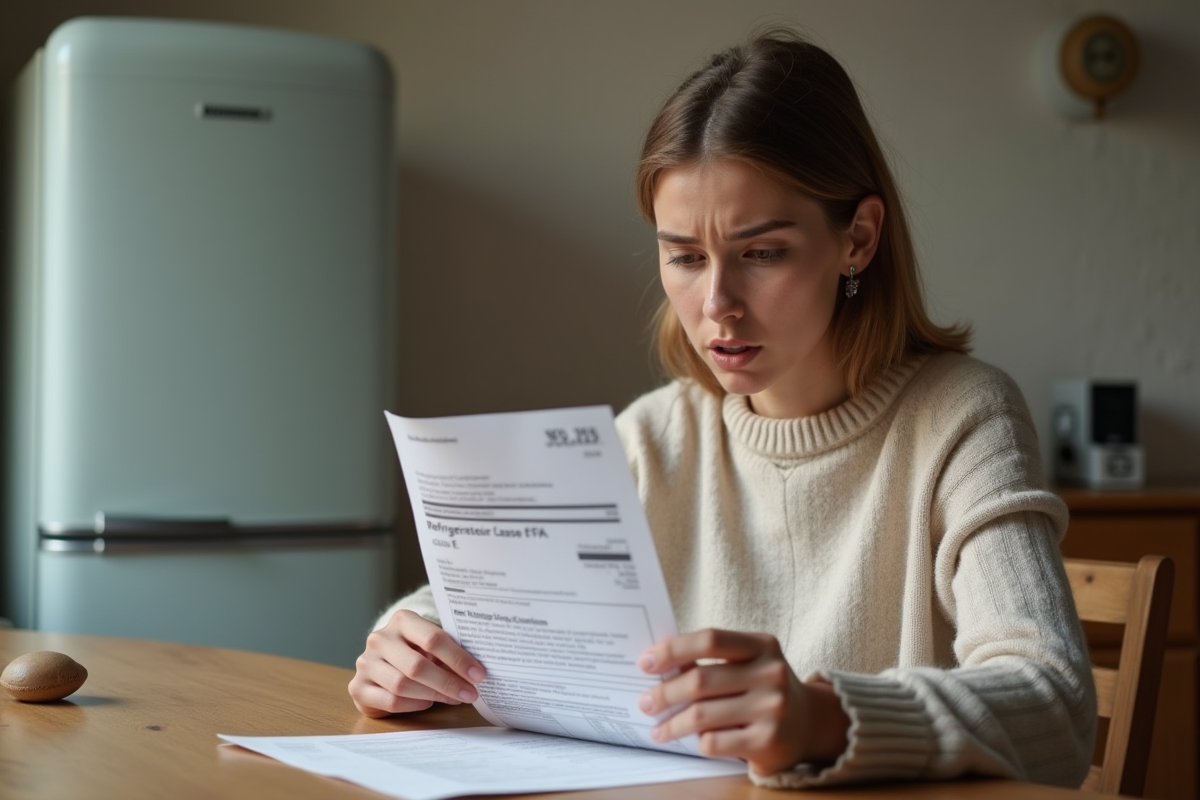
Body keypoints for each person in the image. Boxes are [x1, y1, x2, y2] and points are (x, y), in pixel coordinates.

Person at [349, 28, 1096, 789]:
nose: (717, 306)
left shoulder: (963, 417)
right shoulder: (657, 435)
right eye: (686, 256)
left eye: (763, 253)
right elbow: (469, 602)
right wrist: (406, 648)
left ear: (859, 241)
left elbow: (1055, 704)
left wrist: (824, 720)